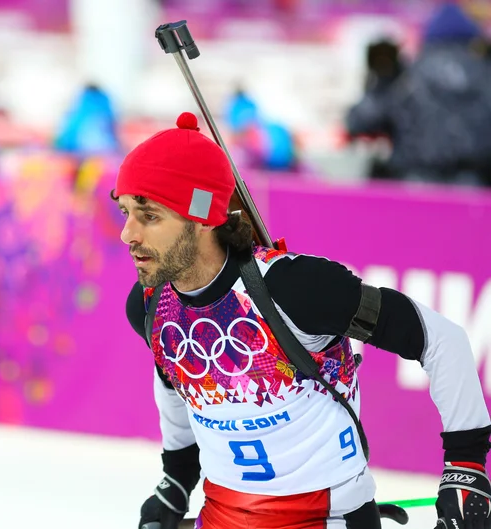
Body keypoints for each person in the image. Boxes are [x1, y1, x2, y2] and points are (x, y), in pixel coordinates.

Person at [113, 112, 491, 529]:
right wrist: (177, 479)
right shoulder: (149, 307)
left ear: (202, 217)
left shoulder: (294, 288)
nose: (128, 234)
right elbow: (173, 380)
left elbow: (442, 340)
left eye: (149, 216)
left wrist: (466, 469)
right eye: (127, 211)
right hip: (220, 517)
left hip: (327, 517)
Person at [346, 3, 491, 186]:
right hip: (476, 190)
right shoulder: (485, 75)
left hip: (413, 187)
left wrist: (379, 83)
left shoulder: (407, 77)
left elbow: (359, 122)